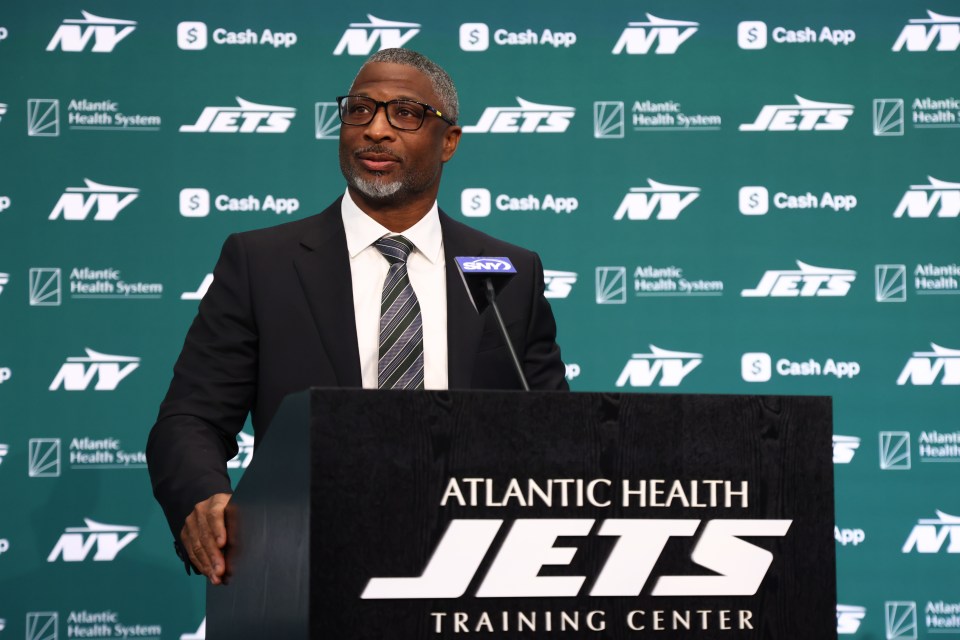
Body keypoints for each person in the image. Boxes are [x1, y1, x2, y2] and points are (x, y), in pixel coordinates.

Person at [146, 48, 567, 585]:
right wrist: (204, 498)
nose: (377, 131)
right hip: (310, 560)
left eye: (406, 114)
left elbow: (556, 427)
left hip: (473, 567)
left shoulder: (507, 270)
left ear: (450, 142)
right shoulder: (262, 262)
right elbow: (191, 419)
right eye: (360, 110)